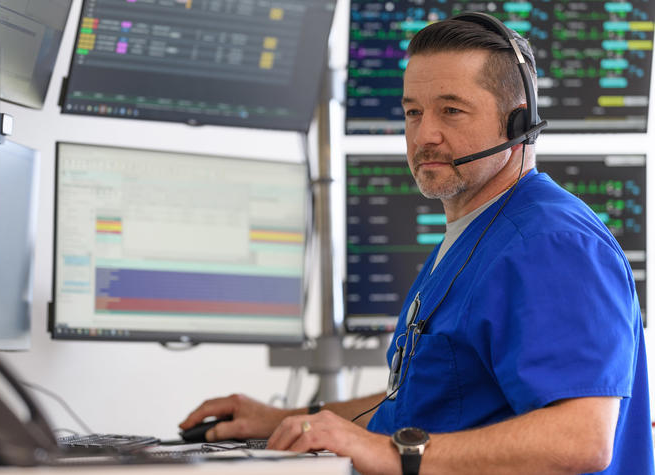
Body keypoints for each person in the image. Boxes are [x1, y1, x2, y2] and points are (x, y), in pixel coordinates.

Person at [179, 14, 653, 475]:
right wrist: (288, 419)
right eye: (413, 112)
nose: (424, 135)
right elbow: (422, 401)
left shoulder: (551, 244)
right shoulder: (474, 234)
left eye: (451, 110)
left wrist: (390, 455)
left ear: (518, 124)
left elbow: (581, 440)